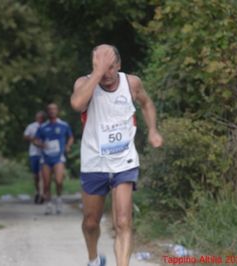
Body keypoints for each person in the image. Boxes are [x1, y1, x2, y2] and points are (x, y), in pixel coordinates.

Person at [70, 44, 163, 266]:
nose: (107, 74)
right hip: (94, 162)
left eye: (111, 67)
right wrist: (97, 73)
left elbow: (147, 103)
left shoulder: (132, 83)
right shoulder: (84, 84)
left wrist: (152, 130)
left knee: (123, 222)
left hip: (124, 161)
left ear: (119, 65)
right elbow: (77, 104)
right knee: (91, 222)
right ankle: (93, 259)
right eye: (101, 67)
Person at [34, 103, 74, 215]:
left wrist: (68, 146)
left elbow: (70, 137)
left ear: (58, 111)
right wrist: (40, 144)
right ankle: (49, 204)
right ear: (47, 112)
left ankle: (59, 199)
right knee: (46, 183)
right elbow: (36, 139)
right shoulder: (43, 127)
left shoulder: (64, 125)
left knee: (59, 181)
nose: (52, 111)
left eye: (54, 109)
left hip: (58, 158)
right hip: (45, 158)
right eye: (50, 109)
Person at [24, 111, 46, 204]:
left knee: (42, 175)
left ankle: (42, 194)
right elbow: (25, 136)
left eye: (41, 117)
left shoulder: (46, 126)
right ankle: (37, 191)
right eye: (38, 117)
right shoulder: (31, 126)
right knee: (36, 175)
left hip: (44, 154)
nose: (40, 119)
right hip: (34, 153)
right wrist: (34, 140)